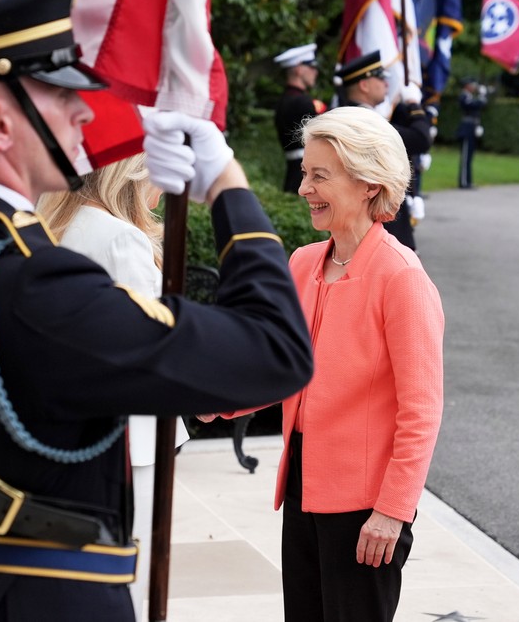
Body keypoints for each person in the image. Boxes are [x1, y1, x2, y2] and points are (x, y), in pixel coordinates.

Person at [0, 0, 313, 621]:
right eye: (62, 94)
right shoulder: (31, 283)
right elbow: (276, 350)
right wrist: (227, 185)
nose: (85, 112)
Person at [204, 106, 444, 621]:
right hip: (302, 486)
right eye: (305, 173)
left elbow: (421, 412)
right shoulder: (303, 262)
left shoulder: (402, 278)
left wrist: (392, 510)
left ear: (369, 183)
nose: (303, 188)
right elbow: (280, 369)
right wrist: (211, 401)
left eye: (319, 175)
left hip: (366, 508)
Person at [36, 153, 190, 621]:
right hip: (127, 438)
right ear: (133, 173)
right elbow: (156, 345)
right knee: (127, 584)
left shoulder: (53, 225)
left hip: (66, 435)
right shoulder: (119, 237)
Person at [335, 51, 431, 251]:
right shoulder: (366, 122)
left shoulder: (349, 116)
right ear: (364, 85)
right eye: (380, 79)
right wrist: (414, 104)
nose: (386, 84)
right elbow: (421, 139)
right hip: (380, 221)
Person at [274, 42, 321, 193]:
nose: (315, 72)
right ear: (299, 69)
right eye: (312, 67)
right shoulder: (302, 102)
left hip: (293, 173)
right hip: (306, 174)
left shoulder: (284, 100)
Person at [456, 77, 487, 189]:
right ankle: (464, 181)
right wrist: (482, 96)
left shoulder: (470, 97)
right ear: (467, 85)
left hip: (472, 128)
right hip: (466, 129)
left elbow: (481, 106)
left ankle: (468, 181)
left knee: (469, 156)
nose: (474, 87)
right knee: (465, 157)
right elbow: (473, 105)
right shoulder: (464, 96)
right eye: (472, 84)